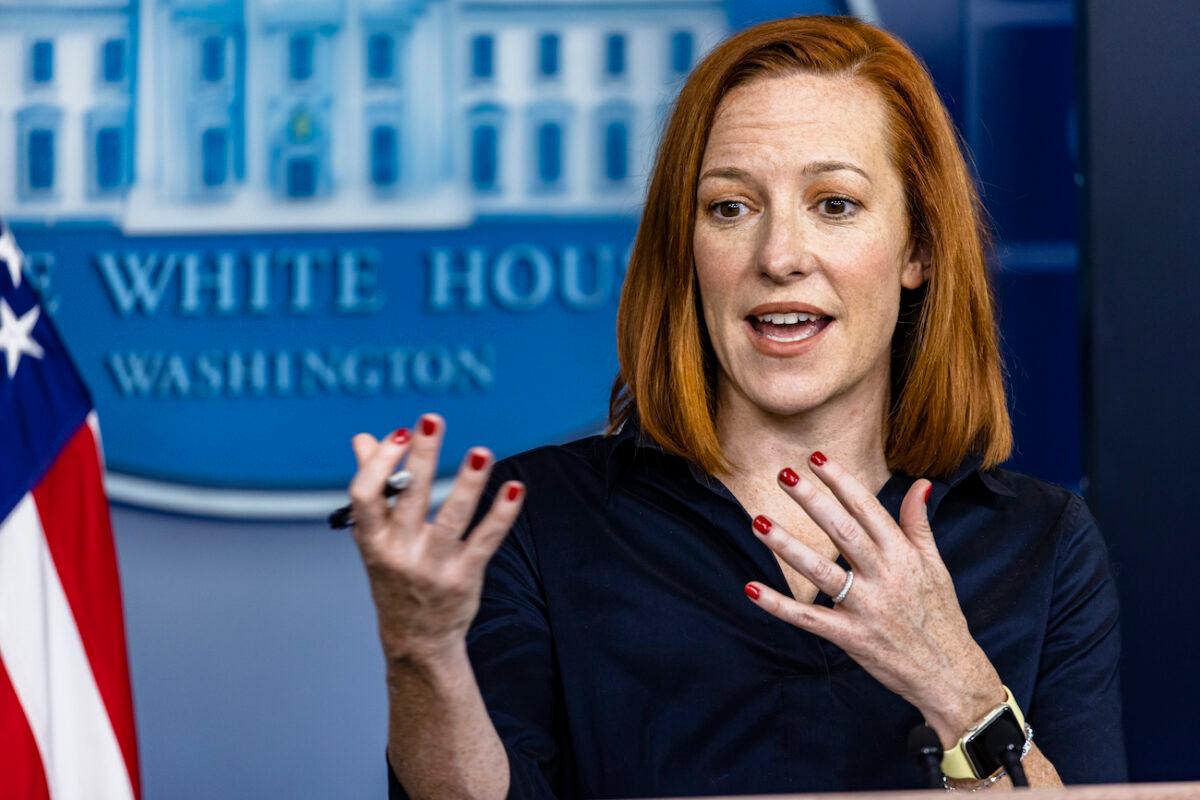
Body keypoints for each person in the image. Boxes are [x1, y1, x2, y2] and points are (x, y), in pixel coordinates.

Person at [347, 15, 1126, 799]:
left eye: (835, 204)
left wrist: (955, 681)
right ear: (686, 251)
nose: (779, 256)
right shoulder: (538, 523)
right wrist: (422, 650)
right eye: (730, 208)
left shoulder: (1043, 545)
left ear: (918, 249)